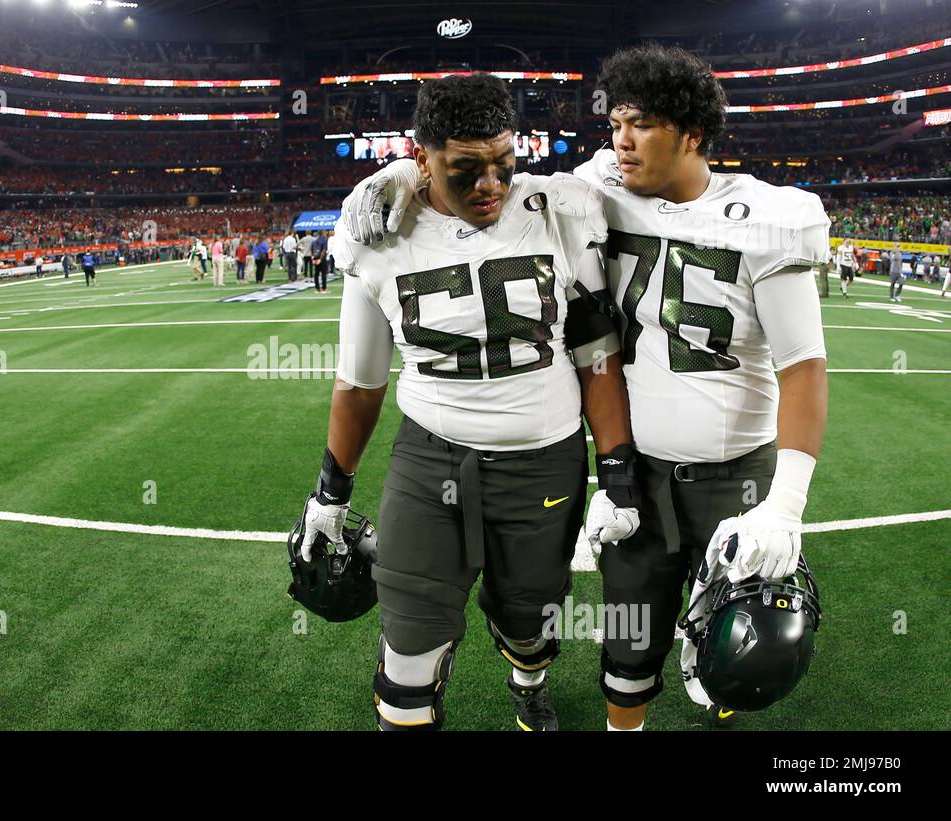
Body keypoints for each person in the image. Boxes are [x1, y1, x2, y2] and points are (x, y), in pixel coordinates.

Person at [343, 45, 831, 731]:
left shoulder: (769, 217)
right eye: (617, 123)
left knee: (735, 652)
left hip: (735, 467)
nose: (621, 141)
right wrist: (397, 172)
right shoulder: (600, 185)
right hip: (643, 465)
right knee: (629, 646)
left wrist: (785, 505)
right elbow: (496, 175)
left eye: (642, 125)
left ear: (692, 134)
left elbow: (804, 365)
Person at [310, 72, 637, 731]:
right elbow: (359, 380)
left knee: (529, 621)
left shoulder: (557, 210)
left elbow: (596, 355)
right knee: (405, 662)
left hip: (543, 460)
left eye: (504, 164)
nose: (490, 185)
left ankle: (528, 679)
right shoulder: (377, 231)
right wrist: (329, 494)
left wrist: (621, 473)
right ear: (423, 154)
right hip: (429, 460)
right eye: (466, 169)